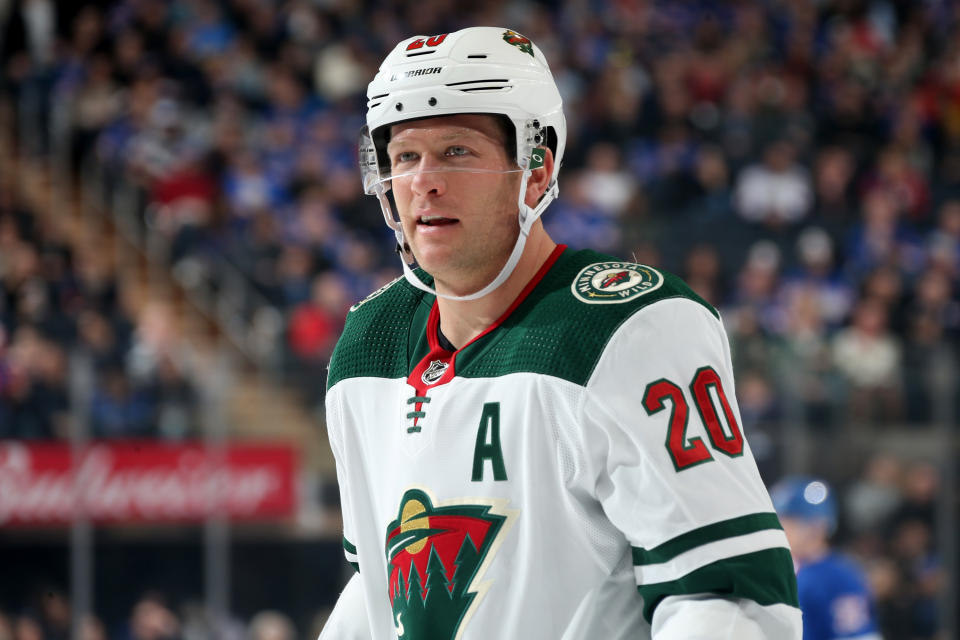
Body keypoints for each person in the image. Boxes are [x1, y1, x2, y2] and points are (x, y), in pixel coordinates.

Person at [320, 27, 801, 639]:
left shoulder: (632, 326)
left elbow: (723, 592)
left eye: (457, 152)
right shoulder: (368, 344)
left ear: (537, 170)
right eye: (406, 156)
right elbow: (379, 592)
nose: (423, 181)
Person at [771, 476, 882, 640]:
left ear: (816, 526)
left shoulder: (839, 577)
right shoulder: (782, 570)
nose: (779, 529)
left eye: (788, 522)